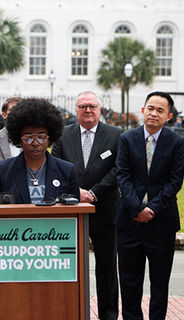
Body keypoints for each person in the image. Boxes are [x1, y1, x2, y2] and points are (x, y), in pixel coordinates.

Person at [51, 91, 122, 320]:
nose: (88, 110)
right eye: (83, 106)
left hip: (105, 209)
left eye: (92, 106)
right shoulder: (63, 135)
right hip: (71, 209)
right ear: (76, 109)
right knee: (69, 263)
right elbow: (55, 167)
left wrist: (94, 193)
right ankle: (71, 311)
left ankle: (108, 313)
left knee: (107, 266)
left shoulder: (116, 135)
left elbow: (118, 170)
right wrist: (75, 193)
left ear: (100, 109)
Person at [116, 91, 184, 320]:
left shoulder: (176, 142)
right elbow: (123, 177)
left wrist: (152, 209)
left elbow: (175, 181)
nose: (154, 113)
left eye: (160, 110)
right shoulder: (126, 139)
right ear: (143, 110)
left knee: (160, 282)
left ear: (169, 116)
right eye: (150, 108)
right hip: (129, 222)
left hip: (161, 223)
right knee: (129, 281)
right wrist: (137, 209)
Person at [0, 98, 79, 204]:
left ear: (50, 137)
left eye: (41, 136)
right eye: (28, 137)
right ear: (19, 138)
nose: (35, 143)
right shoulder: (2, 170)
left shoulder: (67, 171)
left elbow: (75, 214)